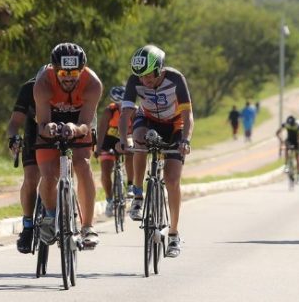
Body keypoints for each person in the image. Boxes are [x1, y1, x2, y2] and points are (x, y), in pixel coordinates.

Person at [117, 45, 193, 258]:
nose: (145, 82)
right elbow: (126, 114)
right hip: (148, 119)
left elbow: (188, 116)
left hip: (175, 124)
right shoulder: (135, 81)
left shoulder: (176, 79)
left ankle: (174, 233)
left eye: (149, 77)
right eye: (140, 77)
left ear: (159, 70)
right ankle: (138, 194)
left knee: (172, 179)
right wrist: (124, 140)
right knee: (138, 139)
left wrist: (185, 140)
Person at [34, 43, 102, 249]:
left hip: (79, 122)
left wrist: (74, 128)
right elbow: (42, 125)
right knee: (48, 174)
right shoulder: (43, 83)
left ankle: (88, 226)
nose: (69, 77)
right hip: (51, 122)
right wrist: (50, 128)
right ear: (54, 70)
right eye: (63, 72)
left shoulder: (93, 84)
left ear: (83, 70)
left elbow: (85, 124)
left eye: (75, 73)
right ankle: (51, 215)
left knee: (83, 165)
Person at [6, 76, 40, 254]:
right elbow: (15, 123)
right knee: (31, 178)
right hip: (34, 133)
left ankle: (65, 208)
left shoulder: (70, 86)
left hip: (61, 131)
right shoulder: (29, 88)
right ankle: (28, 226)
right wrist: (13, 138)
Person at [95, 86, 134, 217]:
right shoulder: (109, 111)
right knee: (105, 170)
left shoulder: (133, 111)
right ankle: (110, 200)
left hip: (126, 138)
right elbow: (101, 132)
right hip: (109, 140)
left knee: (130, 151)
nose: (122, 106)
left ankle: (130, 186)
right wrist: (98, 148)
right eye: (119, 103)